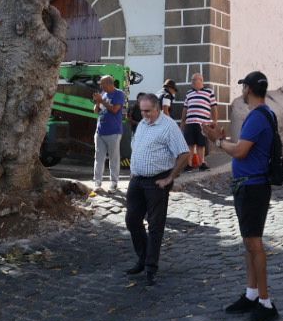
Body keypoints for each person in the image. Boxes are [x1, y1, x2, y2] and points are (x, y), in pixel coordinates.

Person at [205, 71, 280, 321]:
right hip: (252, 185)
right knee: (250, 243)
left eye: (243, 87)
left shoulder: (256, 117)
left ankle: (266, 303)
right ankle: (252, 294)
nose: (242, 91)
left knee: (254, 244)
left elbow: (239, 151)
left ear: (248, 89)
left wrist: (218, 140)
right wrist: (224, 140)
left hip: (252, 187)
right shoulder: (265, 114)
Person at [124, 93, 191, 285]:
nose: (144, 115)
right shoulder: (143, 124)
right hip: (137, 180)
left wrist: (170, 177)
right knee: (132, 219)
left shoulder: (168, 126)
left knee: (155, 225)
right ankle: (143, 258)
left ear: (158, 108)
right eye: (142, 110)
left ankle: (151, 267)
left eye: (148, 111)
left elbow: (184, 154)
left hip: (157, 181)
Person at [92, 75, 126, 193]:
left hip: (114, 132)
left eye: (102, 84)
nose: (101, 86)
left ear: (109, 83)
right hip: (100, 131)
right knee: (98, 158)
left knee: (114, 159)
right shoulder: (103, 94)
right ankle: (97, 183)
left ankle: (113, 183)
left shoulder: (119, 94)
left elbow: (115, 110)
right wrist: (97, 102)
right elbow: (96, 111)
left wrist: (102, 101)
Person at [183, 73, 216, 171]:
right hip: (190, 122)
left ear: (201, 81)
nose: (191, 82)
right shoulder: (189, 93)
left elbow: (214, 107)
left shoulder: (209, 92)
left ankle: (202, 163)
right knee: (189, 144)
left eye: (194, 80)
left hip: (203, 123)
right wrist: (182, 122)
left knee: (201, 144)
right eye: (192, 80)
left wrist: (215, 120)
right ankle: (188, 165)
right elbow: (185, 109)